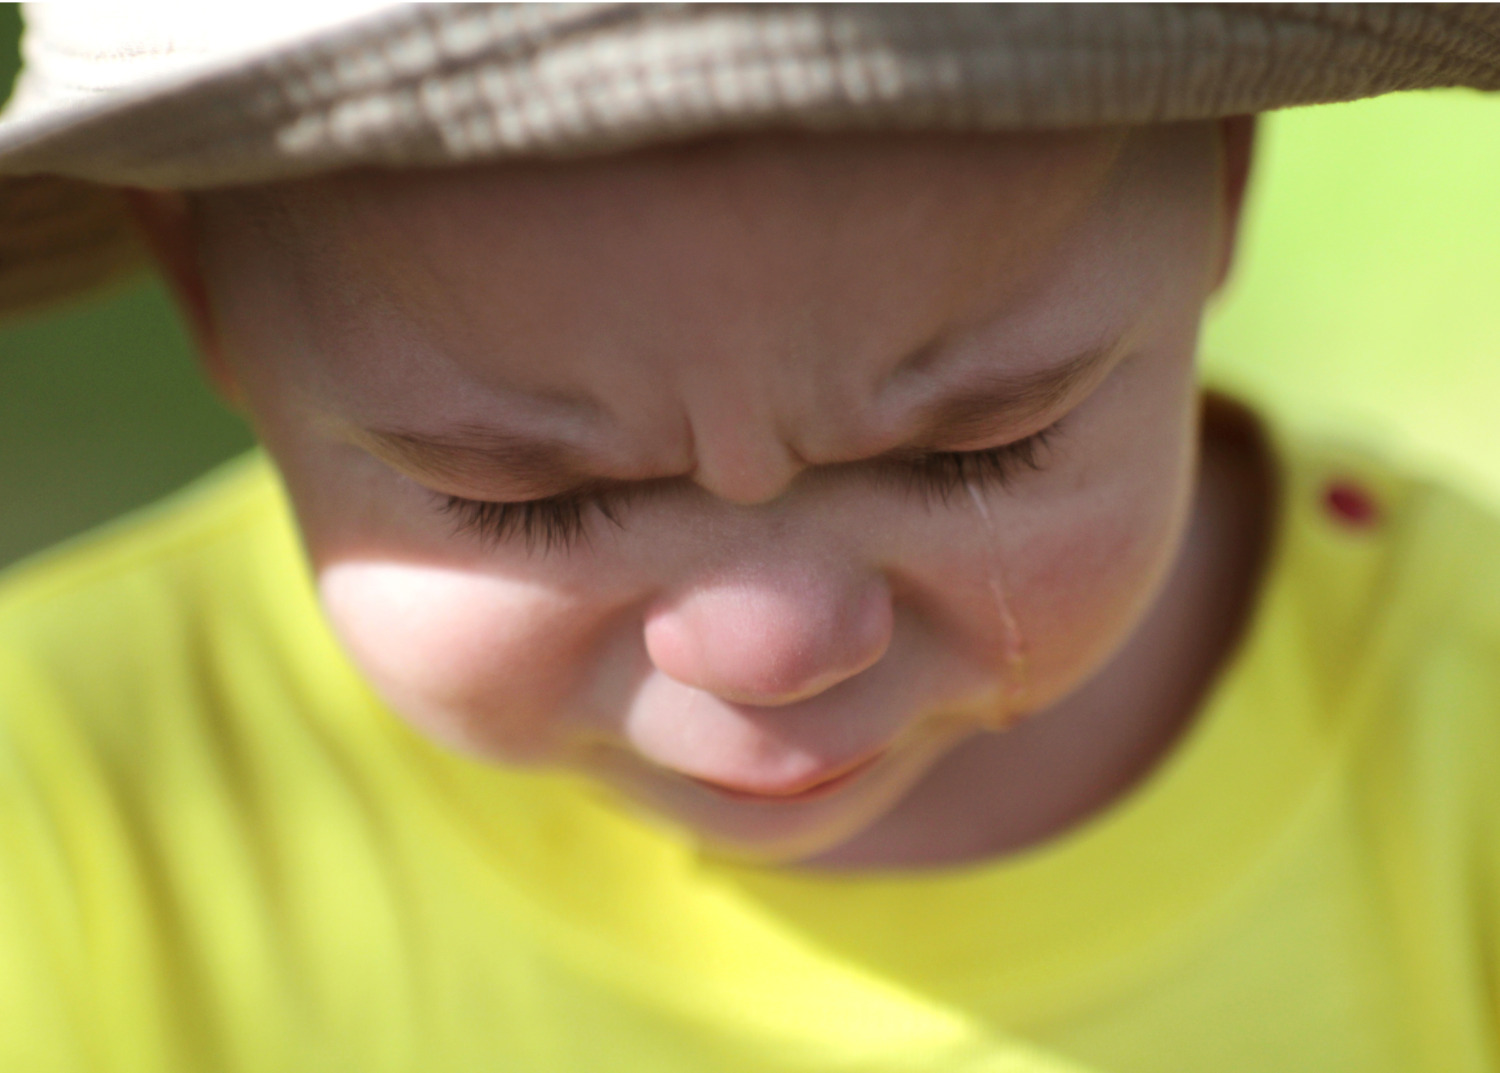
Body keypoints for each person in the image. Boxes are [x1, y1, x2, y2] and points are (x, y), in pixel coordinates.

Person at [1, 6, 1497, 1071]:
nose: (770, 648)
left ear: (1229, 178)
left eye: (976, 451)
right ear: (199, 291)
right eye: (533, 500)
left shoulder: (1462, 749)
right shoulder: (63, 815)